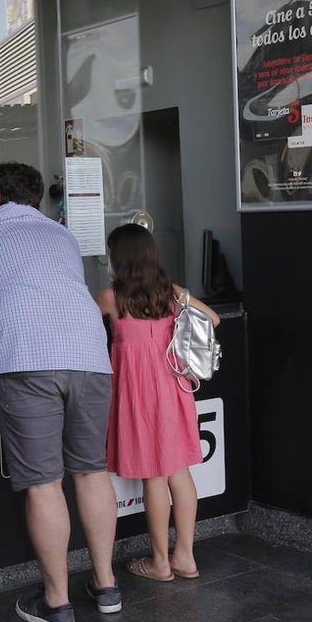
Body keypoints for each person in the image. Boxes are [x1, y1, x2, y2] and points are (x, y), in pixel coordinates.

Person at [0, 162, 120, 622]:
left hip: (26, 361)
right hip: (90, 356)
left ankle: (57, 603)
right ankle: (107, 588)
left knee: (45, 483)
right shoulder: (62, 236)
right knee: (90, 471)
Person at [95, 223, 221, 583]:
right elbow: (212, 319)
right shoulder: (171, 293)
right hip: (174, 389)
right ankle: (185, 557)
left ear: (118, 258)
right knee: (179, 473)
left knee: (154, 478)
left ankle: (160, 563)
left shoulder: (110, 298)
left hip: (136, 395)